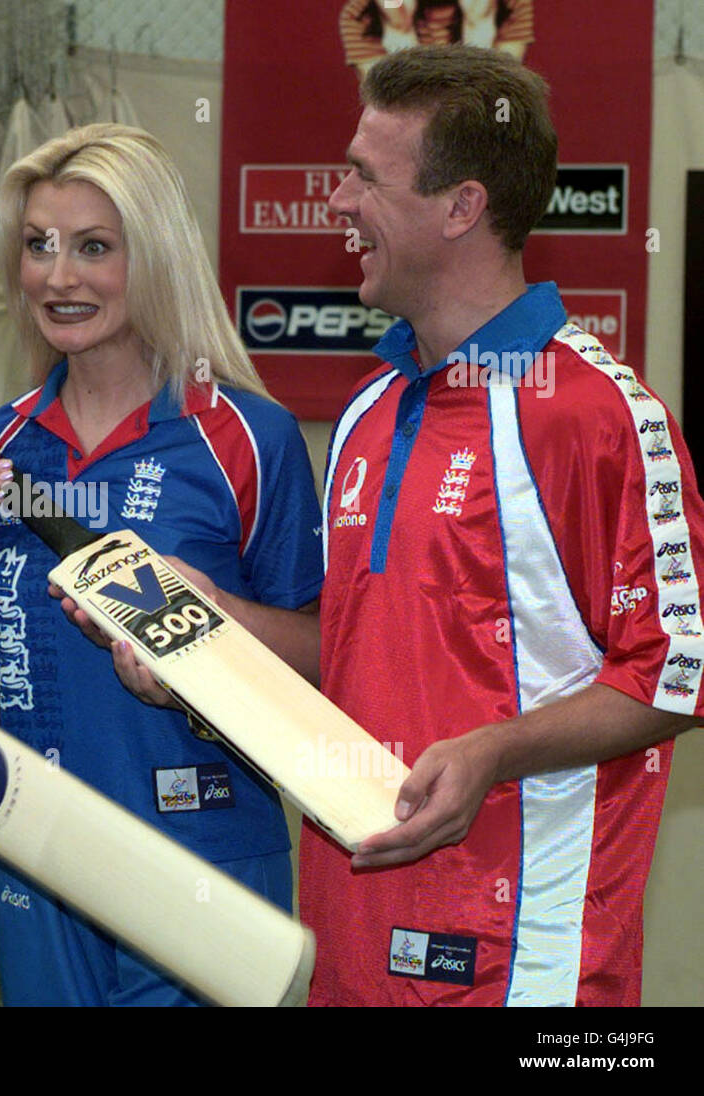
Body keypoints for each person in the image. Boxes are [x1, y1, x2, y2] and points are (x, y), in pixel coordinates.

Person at [109, 44, 702, 1006]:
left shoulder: (595, 414)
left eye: (363, 178)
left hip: (524, 963)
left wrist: (491, 752)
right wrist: (208, 621)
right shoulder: (369, 406)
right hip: (352, 940)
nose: (337, 202)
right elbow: (352, 649)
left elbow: (673, 674)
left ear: (460, 207)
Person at [0, 123, 323, 1006]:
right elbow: (16, 681)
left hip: (202, 856)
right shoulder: (1, 444)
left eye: (94, 247)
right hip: (44, 854)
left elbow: (332, 656)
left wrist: (209, 642)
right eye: (38, 246)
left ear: (157, 256)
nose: (60, 276)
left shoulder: (248, 437)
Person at [339, 0, 533, 78]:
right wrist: (398, 27)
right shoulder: (362, 15)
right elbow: (390, 107)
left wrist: (479, 25)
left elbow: (498, 96)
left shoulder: (510, 5)